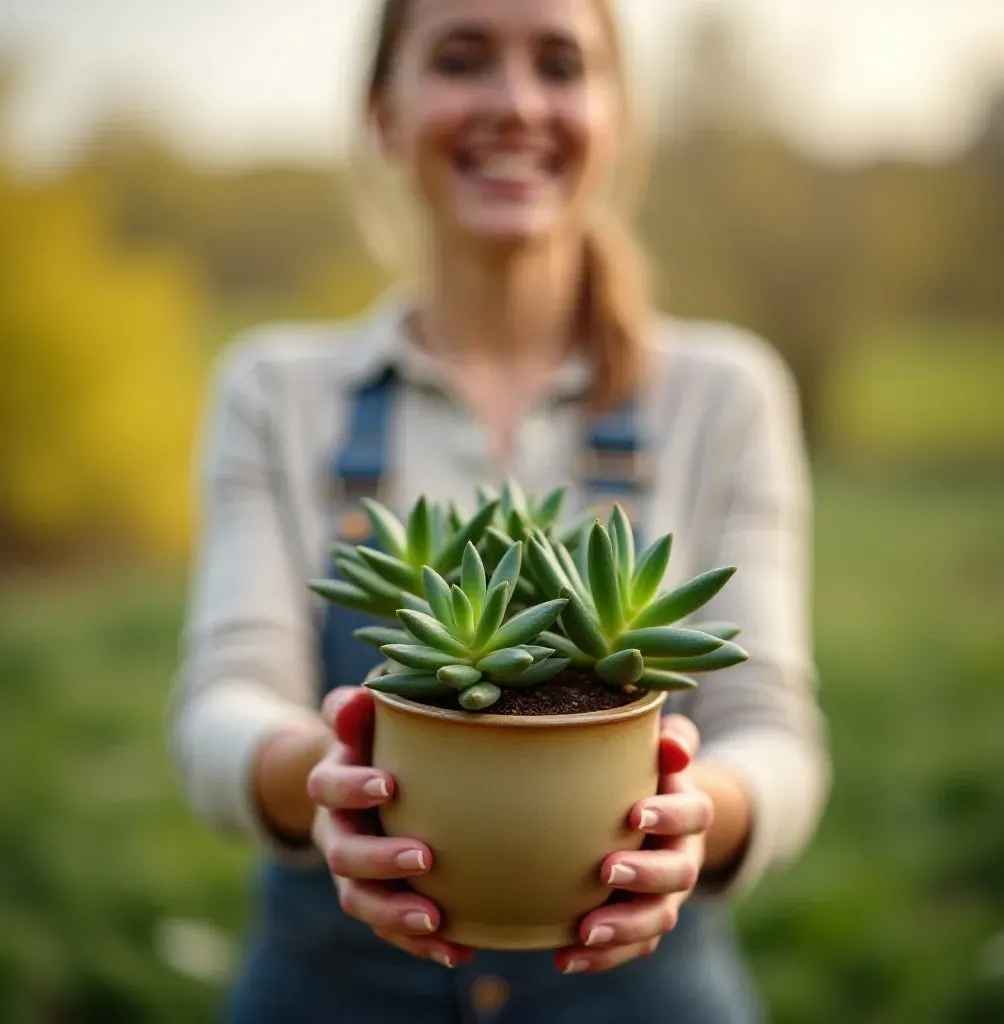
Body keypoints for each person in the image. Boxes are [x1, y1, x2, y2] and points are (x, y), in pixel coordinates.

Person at [170, 0, 830, 1020]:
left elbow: (773, 731)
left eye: (559, 64)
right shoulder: (275, 389)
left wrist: (700, 818)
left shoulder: (725, 392)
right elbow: (225, 697)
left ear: (615, 115)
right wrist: (328, 781)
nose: (515, 103)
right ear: (383, 112)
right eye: (463, 58)